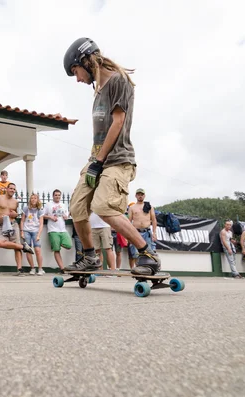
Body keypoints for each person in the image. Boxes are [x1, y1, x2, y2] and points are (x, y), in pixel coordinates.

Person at [62, 37, 160, 275]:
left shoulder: (119, 81)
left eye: (76, 71)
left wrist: (98, 161)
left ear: (86, 61)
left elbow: (118, 122)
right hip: (96, 159)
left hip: (117, 159)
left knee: (104, 206)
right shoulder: (98, 91)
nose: (77, 79)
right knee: (77, 207)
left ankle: (148, 254)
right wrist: (94, 162)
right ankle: (89, 257)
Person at [0, 183, 35, 276]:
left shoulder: (15, 202)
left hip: (13, 225)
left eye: (14, 189)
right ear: (7, 188)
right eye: (11, 188)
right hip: (2, 225)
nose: (12, 190)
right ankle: (23, 247)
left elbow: (16, 213)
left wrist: (16, 214)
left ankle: (19, 269)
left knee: (16, 247)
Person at [127, 188, 157, 269]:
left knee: (149, 251)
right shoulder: (132, 207)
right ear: (136, 196)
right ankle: (138, 268)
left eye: (142, 194)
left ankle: (149, 268)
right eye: (138, 194)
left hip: (147, 232)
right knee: (135, 253)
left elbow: (154, 220)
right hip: (136, 232)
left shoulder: (149, 207)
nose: (140, 196)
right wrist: (128, 235)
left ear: (144, 196)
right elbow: (129, 222)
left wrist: (154, 233)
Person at [43, 189, 71, 273]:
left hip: (63, 229)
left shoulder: (63, 205)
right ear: (53, 196)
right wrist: (51, 217)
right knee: (57, 250)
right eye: (56, 195)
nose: (57, 196)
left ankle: (55, 244)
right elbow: (43, 215)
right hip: (53, 230)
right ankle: (62, 268)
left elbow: (66, 215)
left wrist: (66, 217)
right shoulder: (48, 204)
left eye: (59, 195)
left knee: (69, 245)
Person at [20, 193, 45, 275]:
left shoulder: (40, 210)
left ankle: (40, 268)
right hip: (26, 231)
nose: (33, 199)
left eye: (35, 198)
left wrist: (38, 235)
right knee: (28, 250)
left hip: (35, 231)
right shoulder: (26, 208)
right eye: (32, 198)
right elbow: (22, 220)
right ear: (30, 200)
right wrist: (22, 231)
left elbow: (41, 223)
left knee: (37, 250)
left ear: (37, 200)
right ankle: (32, 268)